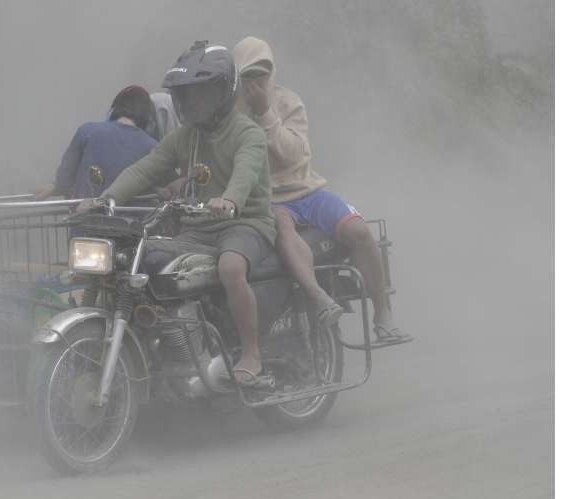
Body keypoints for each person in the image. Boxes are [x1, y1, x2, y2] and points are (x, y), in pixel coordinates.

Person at [78, 41, 274, 386]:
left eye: (200, 93)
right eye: (186, 94)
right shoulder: (184, 137)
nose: (191, 102)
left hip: (245, 225)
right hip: (197, 228)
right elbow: (145, 170)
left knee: (231, 266)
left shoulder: (249, 133)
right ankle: (171, 350)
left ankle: (251, 353)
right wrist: (105, 199)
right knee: (145, 260)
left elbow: (245, 173)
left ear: (222, 91)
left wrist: (229, 199)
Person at [233, 36, 409, 342]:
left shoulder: (289, 102)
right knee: (284, 231)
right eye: (249, 76)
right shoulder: (231, 114)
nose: (256, 83)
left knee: (361, 232)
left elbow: (296, 154)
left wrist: (265, 113)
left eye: (262, 74)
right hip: (270, 200)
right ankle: (320, 299)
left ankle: (383, 315)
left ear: (272, 72)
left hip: (309, 191)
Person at [34, 85, 158, 200]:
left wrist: (56, 187)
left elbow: (64, 179)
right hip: (133, 220)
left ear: (114, 109)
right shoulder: (152, 146)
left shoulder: (87, 131)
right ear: (147, 116)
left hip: (87, 218)